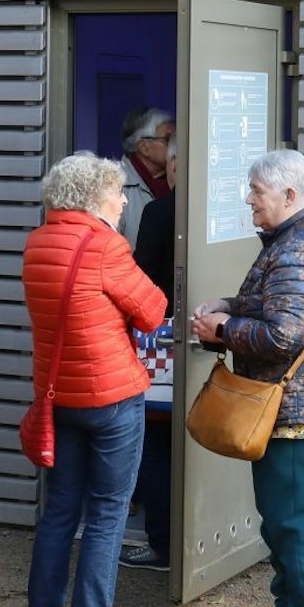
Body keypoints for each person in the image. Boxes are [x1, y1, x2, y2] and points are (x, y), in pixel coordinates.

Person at [190, 149, 304, 607]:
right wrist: (231, 307)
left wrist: (223, 330)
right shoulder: (294, 239)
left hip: (295, 407)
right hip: (292, 404)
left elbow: (283, 335)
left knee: (292, 517)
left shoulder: (297, 249)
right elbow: (278, 306)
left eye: (256, 192)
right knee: (279, 513)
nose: (248, 200)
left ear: (288, 195)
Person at [21, 153, 168, 607]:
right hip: (110, 399)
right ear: (92, 198)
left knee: (60, 512)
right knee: (106, 520)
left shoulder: (38, 242)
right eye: (117, 191)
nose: (125, 199)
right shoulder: (106, 244)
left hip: (58, 397)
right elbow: (153, 310)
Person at [122, 138, 177, 571]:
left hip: (162, 347)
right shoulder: (233, 218)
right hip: (213, 341)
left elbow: (140, 280)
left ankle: (162, 542)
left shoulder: (159, 212)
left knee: (156, 445)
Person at [116, 107, 174, 245]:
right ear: (144, 147)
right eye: (168, 139)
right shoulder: (116, 184)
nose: (176, 145)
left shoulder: (178, 178)